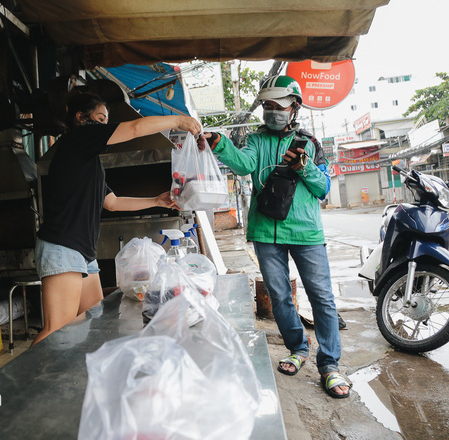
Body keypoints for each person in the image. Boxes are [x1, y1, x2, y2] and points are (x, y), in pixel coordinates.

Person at [198, 75, 351, 399]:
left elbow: (323, 189)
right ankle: (297, 346)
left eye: (277, 106)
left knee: (321, 298)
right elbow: (243, 165)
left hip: (306, 233)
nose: (271, 112)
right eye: (267, 106)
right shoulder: (256, 140)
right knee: (280, 297)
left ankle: (330, 364)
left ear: (294, 107)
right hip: (267, 232)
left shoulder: (309, 142)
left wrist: (304, 168)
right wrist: (219, 142)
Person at [32, 91, 201, 346]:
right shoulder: (78, 138)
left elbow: (112, 203)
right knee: (56, 329)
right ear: (80, 118)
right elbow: (134, 128)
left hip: (82, 252)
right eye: (100, 119)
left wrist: (156, 201)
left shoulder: (88, 162)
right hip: (62, 245)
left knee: (92, 320)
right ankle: (24, 384)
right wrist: (177, 121)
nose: (104, 127)